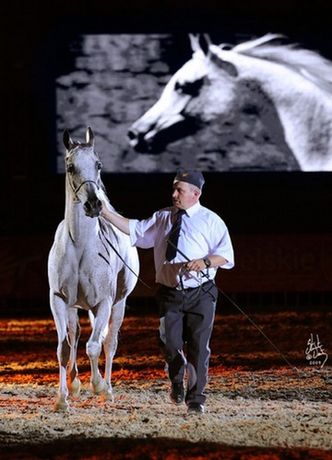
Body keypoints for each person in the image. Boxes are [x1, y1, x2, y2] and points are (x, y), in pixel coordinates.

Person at [100, 170, 234, 414]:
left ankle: (196, 399)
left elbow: (226, 255)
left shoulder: (211, 220)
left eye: (179, 190)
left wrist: (204, 262)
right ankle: (176, 378)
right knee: (169, 343)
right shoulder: (163, 217)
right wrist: (105, 213)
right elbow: (133, 228)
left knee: (198, 347)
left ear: (196, 193)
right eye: (173, 189)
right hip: (169, 294)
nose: (174, 194)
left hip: (201, 293)